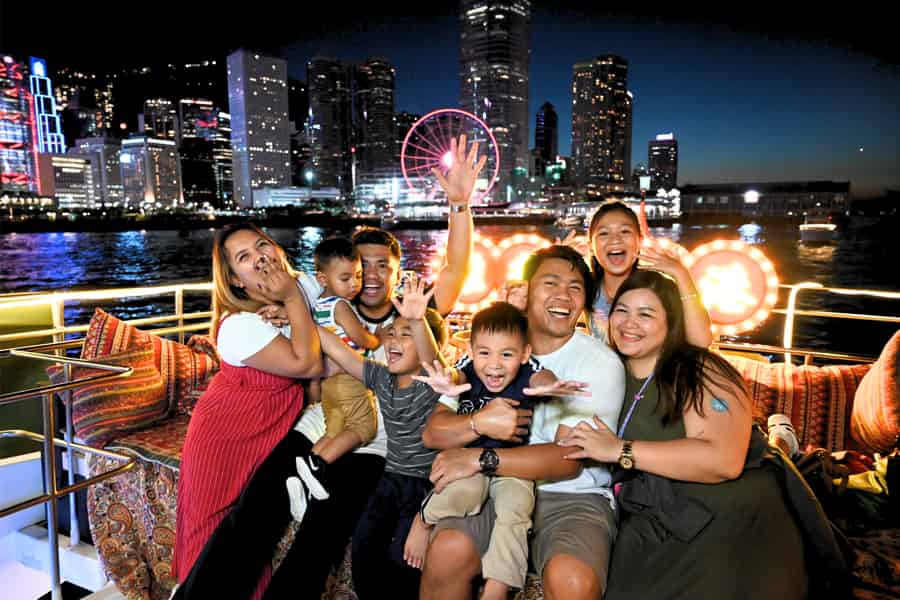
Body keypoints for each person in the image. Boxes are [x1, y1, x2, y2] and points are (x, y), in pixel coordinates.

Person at [176, 134, 484, 600]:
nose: (372, 275)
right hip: (316, 424)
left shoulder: (414, 315)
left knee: (320, 534)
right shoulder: (325, 306)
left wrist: (460, 204)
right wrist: (286, 310)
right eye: (362, 266)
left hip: (375, 443)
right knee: (255, 513)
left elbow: (455, 271)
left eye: (383, 266)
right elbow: (295, 333)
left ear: (399, 272)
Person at [557, 269, 848, 598]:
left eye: (646, 314)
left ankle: (782, 438)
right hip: (652, 512)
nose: (629, 323)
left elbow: (723, 460)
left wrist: (620, 450)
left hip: (727, 512)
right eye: (621, 311)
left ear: (672, 322)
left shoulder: (700, 370)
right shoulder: (609, 373)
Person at [420, 245, 625, 600]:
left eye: (575, 287)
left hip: (571, 497)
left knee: (573, 580)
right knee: (447, 551)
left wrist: (480, 458)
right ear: (526, 289)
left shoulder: (598, 363)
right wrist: (479, 423)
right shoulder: (493, 347)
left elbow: (568, 460)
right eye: (551, 283)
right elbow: (434, 432)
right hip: (490, 487)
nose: (563, 295)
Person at [173, 223, 322, 599]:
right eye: (244, 257)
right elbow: (307, 364)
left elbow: (337, 291)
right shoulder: (239, 326)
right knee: (211, 531)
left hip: (266, 434)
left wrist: (289, 302)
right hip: (224, 437)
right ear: (236, 281)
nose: (259, 258)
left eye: (261, 246)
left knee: (248, 539)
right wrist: (290, 300)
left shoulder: (297, 291)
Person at [413, 301, 590, 600]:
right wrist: (447, 381)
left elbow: (540, 376)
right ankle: (423, 519)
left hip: (510, 466)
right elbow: (455, 377)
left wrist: (550, 386)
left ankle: (498, 584)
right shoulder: (467, 369)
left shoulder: (527, 371)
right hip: (467, 462)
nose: (494, 365)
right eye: (484, 353)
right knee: (463, 492)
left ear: (524, 354)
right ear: (471, 351)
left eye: (506, 354)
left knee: (517, 509)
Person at [317, 273, 447, 599]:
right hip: (391, 477)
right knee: (364, 547)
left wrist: (417, 320)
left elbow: (432, 360)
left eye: (407, 335)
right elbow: (342, 354)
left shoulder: (435, 382)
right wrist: (297, 315)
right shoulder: (382, 378)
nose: (393, 341)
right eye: (392, 333)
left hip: (425, 485)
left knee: (401, 560)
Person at [581, 200, 712, 347]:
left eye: (625, 231)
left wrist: (680, 273)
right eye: (604, 233)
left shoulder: (656, 287)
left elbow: (702, 341)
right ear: (590, 247)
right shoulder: (586, 288)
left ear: (639, 240)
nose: (615, 239)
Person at [309, 237, 381, 464]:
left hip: (330, 384)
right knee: (363, 427)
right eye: (345, 278)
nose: (354, 284)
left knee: (334, 431)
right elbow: (360, 337)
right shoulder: (340, 305)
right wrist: (377, 339)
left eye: (358, 276)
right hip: (349, 378)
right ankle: (318, 466)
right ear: (323, 279)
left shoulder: (318, 305)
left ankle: (310, 461)